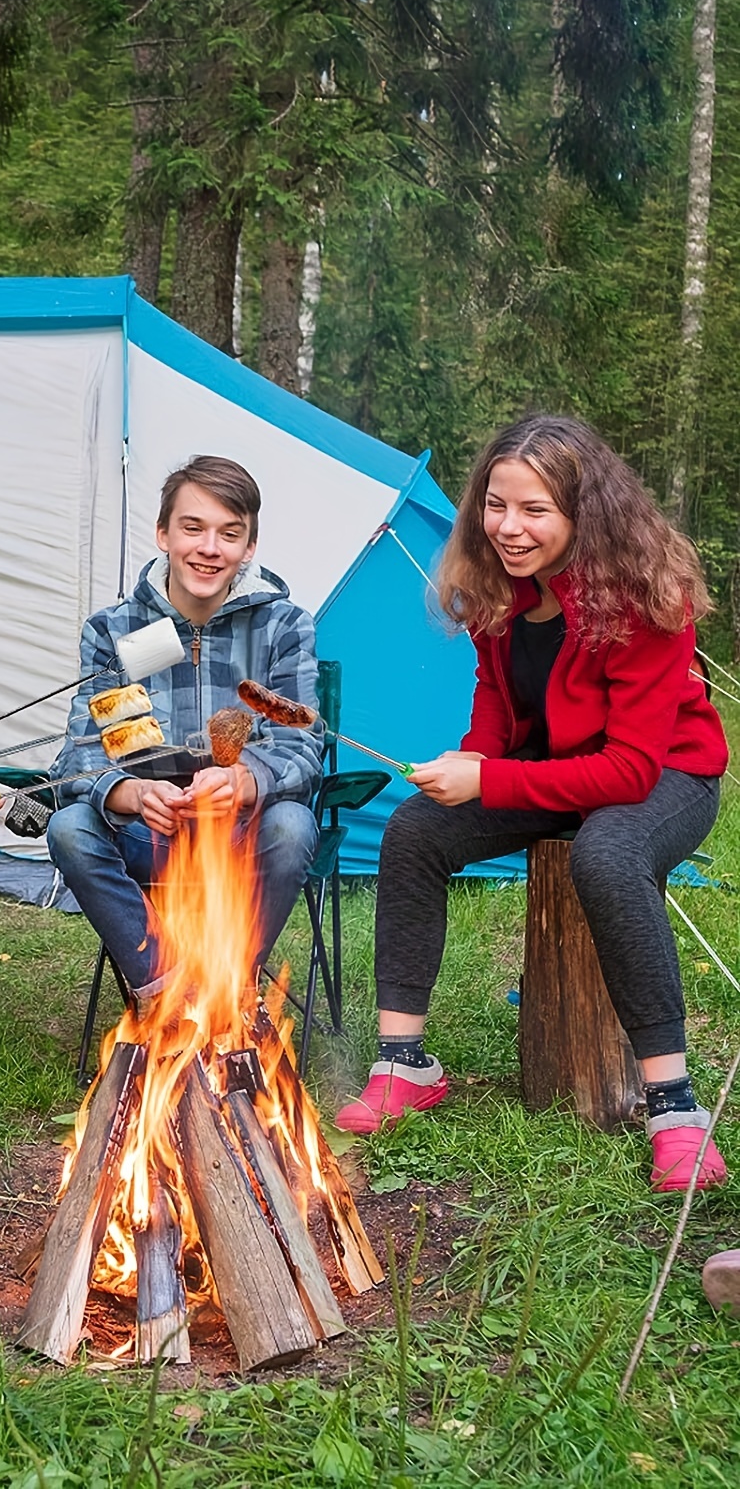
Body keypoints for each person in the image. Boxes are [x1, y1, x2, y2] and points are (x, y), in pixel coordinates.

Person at [335, 416, 730, 1195]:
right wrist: (476, 756)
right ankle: (404, 1061)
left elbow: (626, 769)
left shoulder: (649, 595)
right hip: (551, 767)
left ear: (586, 513)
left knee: (609, 854)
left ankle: (675, 1110)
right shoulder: (498, 585)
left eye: (535, 511)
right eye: (496, 505)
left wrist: (491, 782)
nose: (509, 528)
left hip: (664, 778)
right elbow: (498, 696)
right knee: (416, 830)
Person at [46, 455, 322, 990]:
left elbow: (301, 742)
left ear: (250, 546)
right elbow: (81, 749)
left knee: (293, 827)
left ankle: (229, 984)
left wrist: (244, 781)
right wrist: (128, 792)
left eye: (229, 533)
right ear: (162, 533)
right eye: (192, 528)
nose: (209, 548)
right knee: (69, 830)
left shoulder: (283, 627)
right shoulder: (115, 631)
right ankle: (167, 987)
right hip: (149, 834)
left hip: (243, 834)